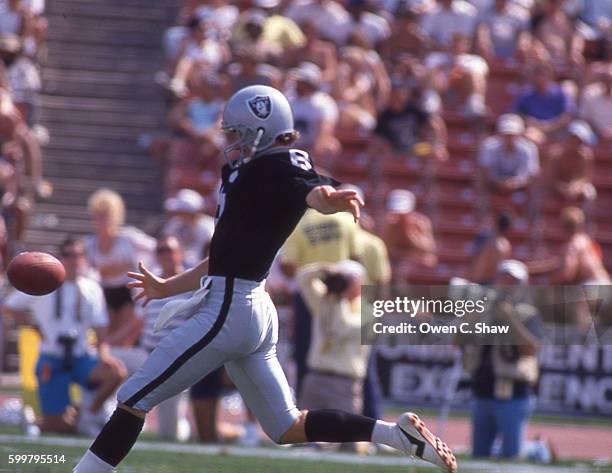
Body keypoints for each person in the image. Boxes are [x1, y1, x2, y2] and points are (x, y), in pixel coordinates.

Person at [74, 85, 456, 473]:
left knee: (133, 396)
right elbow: (224, 257)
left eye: (237, 133)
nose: (231, 142)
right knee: (285, 425)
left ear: (261, 130)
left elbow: (315, 192)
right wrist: (166, 287)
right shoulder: (251, 172)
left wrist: (331, 199)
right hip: (251, 308)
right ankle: (397, 435)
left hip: (231, 309)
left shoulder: (281, 164)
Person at [3, 237, 126, 434]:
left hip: (81, 356)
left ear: (85, 258)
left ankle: (88, 413)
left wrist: (104, 355)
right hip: (52, 357)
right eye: (69, 255)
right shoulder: (43, 281)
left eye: (79, 255)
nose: (74, 260)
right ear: (60, 258)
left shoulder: (91, 287)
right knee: (59, 427)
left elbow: (101, 328)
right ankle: (30, 418)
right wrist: (33, 325)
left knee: (115, 373)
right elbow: (8, 306)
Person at [461, 259, 542, 459]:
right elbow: (458, 340)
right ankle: (535, 448)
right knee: (479, 455)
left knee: (511, 455)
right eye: (503, 279)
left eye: (512, 281)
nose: (506, 285)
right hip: (483, 390)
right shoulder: (484, 312)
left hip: (512, 393)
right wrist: (467, 318)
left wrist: (510, 320)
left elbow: (530, 349)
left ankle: (538, 450)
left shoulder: (528, 314)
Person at [85, 189, 155, 373]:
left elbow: (155, 249)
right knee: (106, 335)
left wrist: (134, 266)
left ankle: (125, 375)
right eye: (98, 215)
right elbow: (85, 271)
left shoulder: (128, 238)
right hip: (105, 293)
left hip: (128, 292)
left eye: (106, 215)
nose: (102, 220)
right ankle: (110, 373)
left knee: (126, 338)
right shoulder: (90, 243)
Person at [297, 261, 370, 417]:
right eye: (344, 279)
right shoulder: (325, 299)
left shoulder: (368, 310)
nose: (345, 283)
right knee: (304, 434)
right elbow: (302, 278)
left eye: (351, 279)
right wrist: (322, 268)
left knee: (348, 438)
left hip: (345, 383)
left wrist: (339, 299)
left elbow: (342, 328)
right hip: (315, 378)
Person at [477, 113, 539, 195]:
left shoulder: (529, 148)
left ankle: (530, 206)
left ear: (519, 134)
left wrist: (515, 183)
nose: (509, 138)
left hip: (520, 185)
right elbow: (484, 170)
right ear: (500, 134)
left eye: (512, 135)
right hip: (493, 183)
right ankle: (481, 204)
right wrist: (498, 182)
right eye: (506, 135)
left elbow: (531, 174)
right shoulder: (489, 146)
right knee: (478, 179)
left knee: (537, 184)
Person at [512, 63, 575, 139]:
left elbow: (568, 115)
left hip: (557, 130)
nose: (541, 78)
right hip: (534, 129)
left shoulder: (561, 93)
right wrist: (531, 122)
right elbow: (516, 113)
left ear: (551, 76)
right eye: (538, 75)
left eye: (544, 75)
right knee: (529, 136)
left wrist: (551, 125)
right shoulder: (526, 94)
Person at [552, 206, 610, 284]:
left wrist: (552, 280)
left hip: (592, 285)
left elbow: (567, 273)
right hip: (605, 281)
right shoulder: (586, 240)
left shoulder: (573, 245)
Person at [384, 189, 438, 270]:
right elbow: (387, 247)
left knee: (429, 260)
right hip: (396, 259)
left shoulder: (420, 222)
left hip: (415, 259)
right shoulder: (389, 222)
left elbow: (428, 248)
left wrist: (410, 232)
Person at [161, 188, 215, 268]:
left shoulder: (208, 226)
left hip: (201, 268)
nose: (179, 214)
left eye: (182, 211)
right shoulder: (174, 224)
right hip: (178, 266)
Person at [545, 120, 596, 203]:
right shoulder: (555, 154)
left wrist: (576, 186)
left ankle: (585, 215)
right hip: (556, 185)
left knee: (589, 193)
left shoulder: (585, 156)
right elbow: (550, 177)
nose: (574, 142)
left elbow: (586, 177)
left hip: (575, 186)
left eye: (578, 140)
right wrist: (562, 187)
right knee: (542, 192)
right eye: (572, 138)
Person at [468, 211, 513, 285]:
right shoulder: (507, 246)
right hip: (492, 284)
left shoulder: (489, 243)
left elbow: (479, 266)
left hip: (480, 282)